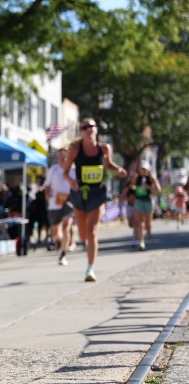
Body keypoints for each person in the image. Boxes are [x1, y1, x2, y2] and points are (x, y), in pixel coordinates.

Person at [61, 117, 127, 282]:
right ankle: (87, 246)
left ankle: (90, 268)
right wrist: (71, 181)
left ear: (96, 129)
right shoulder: (76, 150)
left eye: (91, 126)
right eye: (84, 127)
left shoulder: (104, 148)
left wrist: (118, 169)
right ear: (81, 132)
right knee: (83, 234)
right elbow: (65, 172)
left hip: (97, 193)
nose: (88, 129)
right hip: (79, 192)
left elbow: (108, 164)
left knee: (92, 230)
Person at [42, 148, 76, 266]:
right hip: (54, 203)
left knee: (66, 227)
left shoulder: (73, 170)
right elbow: (47, 185)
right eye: (60, 155)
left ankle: (63, 254)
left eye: (64, 155)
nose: (62, 158)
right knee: (55, 232)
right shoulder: (53, 169)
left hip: (69, 201)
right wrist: (47, 193)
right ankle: (64, 243)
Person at [123, 161, 162, 251]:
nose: (143, 171)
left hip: (148, 200)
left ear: (148, 170)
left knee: (148, 223)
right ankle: (141, 242)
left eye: (145, 169)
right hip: (138, 200)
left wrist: (148, 187)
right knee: (139, 222)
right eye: (142, 169)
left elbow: (158, 190)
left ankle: (148, 232)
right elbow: (131, 186)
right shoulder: (137, 177)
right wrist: (134, 184)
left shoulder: (151, 178)